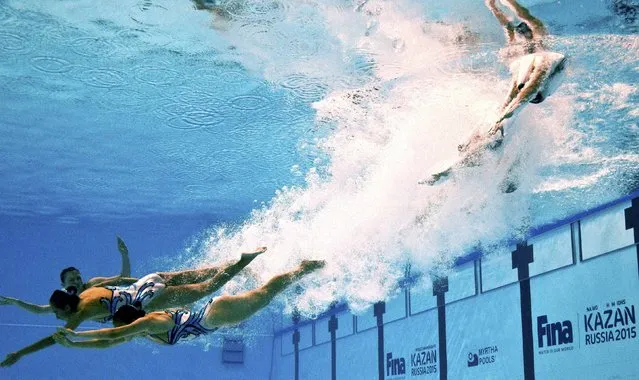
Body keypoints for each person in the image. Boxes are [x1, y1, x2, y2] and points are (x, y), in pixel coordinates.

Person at [0, 247, 267, 367]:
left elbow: (56, 339)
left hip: (148, 299)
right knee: (201, 274)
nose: (58, 318)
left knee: (204, 289)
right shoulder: (92, 287)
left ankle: (243, 263)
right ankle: (239, 263)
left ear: (67, 309)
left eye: (58, 314)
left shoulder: (79, 312)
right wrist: (13, 302)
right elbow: (121, 280)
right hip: (145, 283)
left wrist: (21, 353)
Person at [422, 0, 566, 187]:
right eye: (521, 30)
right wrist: (493, 6)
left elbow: (526, 17)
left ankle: (509, 169)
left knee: (508, 129)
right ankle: (477, 153)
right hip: (522, 95)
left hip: (533, 97)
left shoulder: (541, 47)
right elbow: (507, 25)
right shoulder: (517, 53)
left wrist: (509, 3)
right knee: (494, 124)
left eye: (525, 30)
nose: (522, 32)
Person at [52, 260, 325, 348]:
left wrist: (75, 336)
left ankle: (302, 268)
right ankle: (292, 269)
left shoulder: (148, 322)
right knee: (263, 295)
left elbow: (113, 334)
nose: (127, 336)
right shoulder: (146, 329)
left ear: (131, 323)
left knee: (265, 294)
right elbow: (111, 341)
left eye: (127, 330)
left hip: (212, 316)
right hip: (213, 315)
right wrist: (77, 342)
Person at [0, 236, 133, 315]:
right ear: (63, 285)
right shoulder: (66, 300)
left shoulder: (93, 284)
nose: (76, 281)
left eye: (78, 278)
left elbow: (124, 277)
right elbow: (40, 310)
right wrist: (15, 302)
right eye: (71, 280)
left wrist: (124, 254)